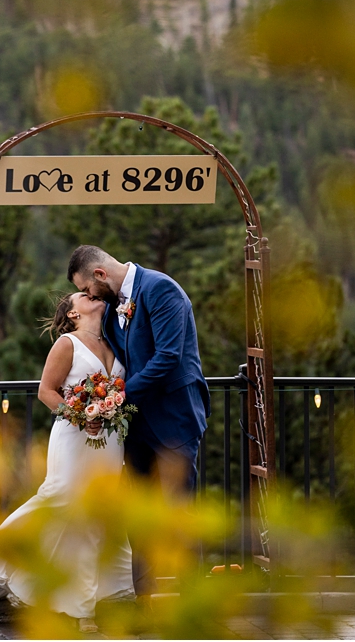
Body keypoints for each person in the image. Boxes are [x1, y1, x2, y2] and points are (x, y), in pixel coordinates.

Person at [0, 292, 133, 631]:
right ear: (73, 313)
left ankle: (103, 599)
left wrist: (110, 409)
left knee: (101, 509)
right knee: (61, 500)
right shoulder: (67, 344)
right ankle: (12, 562)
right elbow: (46, 391)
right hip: (74, 436)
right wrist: (79, 414)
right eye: (84, 294)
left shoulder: (116, 342)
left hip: (109, 439)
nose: (92, 295)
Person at [67, 245, 210, 600]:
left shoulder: (160, 289)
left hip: (173, 420)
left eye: (87, 289)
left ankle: (192, 604)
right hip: (136, 428)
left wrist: (117, 396)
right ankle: (145, 601)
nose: (88, 296)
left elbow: (168, 357)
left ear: (100, 274)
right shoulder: (114, 303)